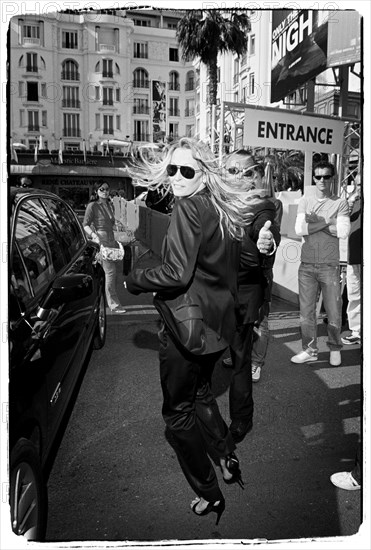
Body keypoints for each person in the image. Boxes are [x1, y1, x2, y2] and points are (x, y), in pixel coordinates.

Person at [125, 137, 274, 523]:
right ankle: (226, 456)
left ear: (203, 173)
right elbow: (241, 262)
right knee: (203, 396)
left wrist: (135, 279)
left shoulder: (190, 208)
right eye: (172, 168)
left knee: (177, 414)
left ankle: (209, 491)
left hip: (187, 329)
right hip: (216, 328)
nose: (176, 176)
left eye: (186, 170)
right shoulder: (222, 207)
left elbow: (176, 274)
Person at [221, 151, 281, 443]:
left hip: (244, 296)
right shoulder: (218, 202)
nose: (239, 177)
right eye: (232, 170)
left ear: (257, 176)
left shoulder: (263, 206)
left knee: (240, 361)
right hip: (214, 294)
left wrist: (266, 242)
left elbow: (266, 230)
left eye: (247, 172)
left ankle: (242, 419)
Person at [291, 161, 350, 366]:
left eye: (326, 176)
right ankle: (309, 350)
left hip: (329, 266)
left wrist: (313, 224)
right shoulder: (305, 201)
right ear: (314, 178)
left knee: (334, 312)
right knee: (305, 314)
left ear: (332, 178)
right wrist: (327, 222)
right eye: (318, 177)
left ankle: (335, 348)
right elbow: (299, 229)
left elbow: (342, 232)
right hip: (306, 265)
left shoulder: (340, 202)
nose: (322, 180)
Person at [83, 181, 126, 313]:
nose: (105, 191)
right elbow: (85, 224)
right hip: (101, 241)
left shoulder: (109, 204)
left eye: (107, 189)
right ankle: (113, 305)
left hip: (111, 240)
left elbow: (113, 222)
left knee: (112, 273)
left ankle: (106, 300)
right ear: (96, 191)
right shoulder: (93, 206)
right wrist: (94, 236)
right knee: (110, 272)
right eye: (102, 189)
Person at [341, 174, 362, 345]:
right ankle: (356, 331)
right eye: (358, 183)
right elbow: (341, 219)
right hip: (353, 255)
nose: (360, 186)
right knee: (354, 294)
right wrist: (350, 201)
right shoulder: (353, 200)